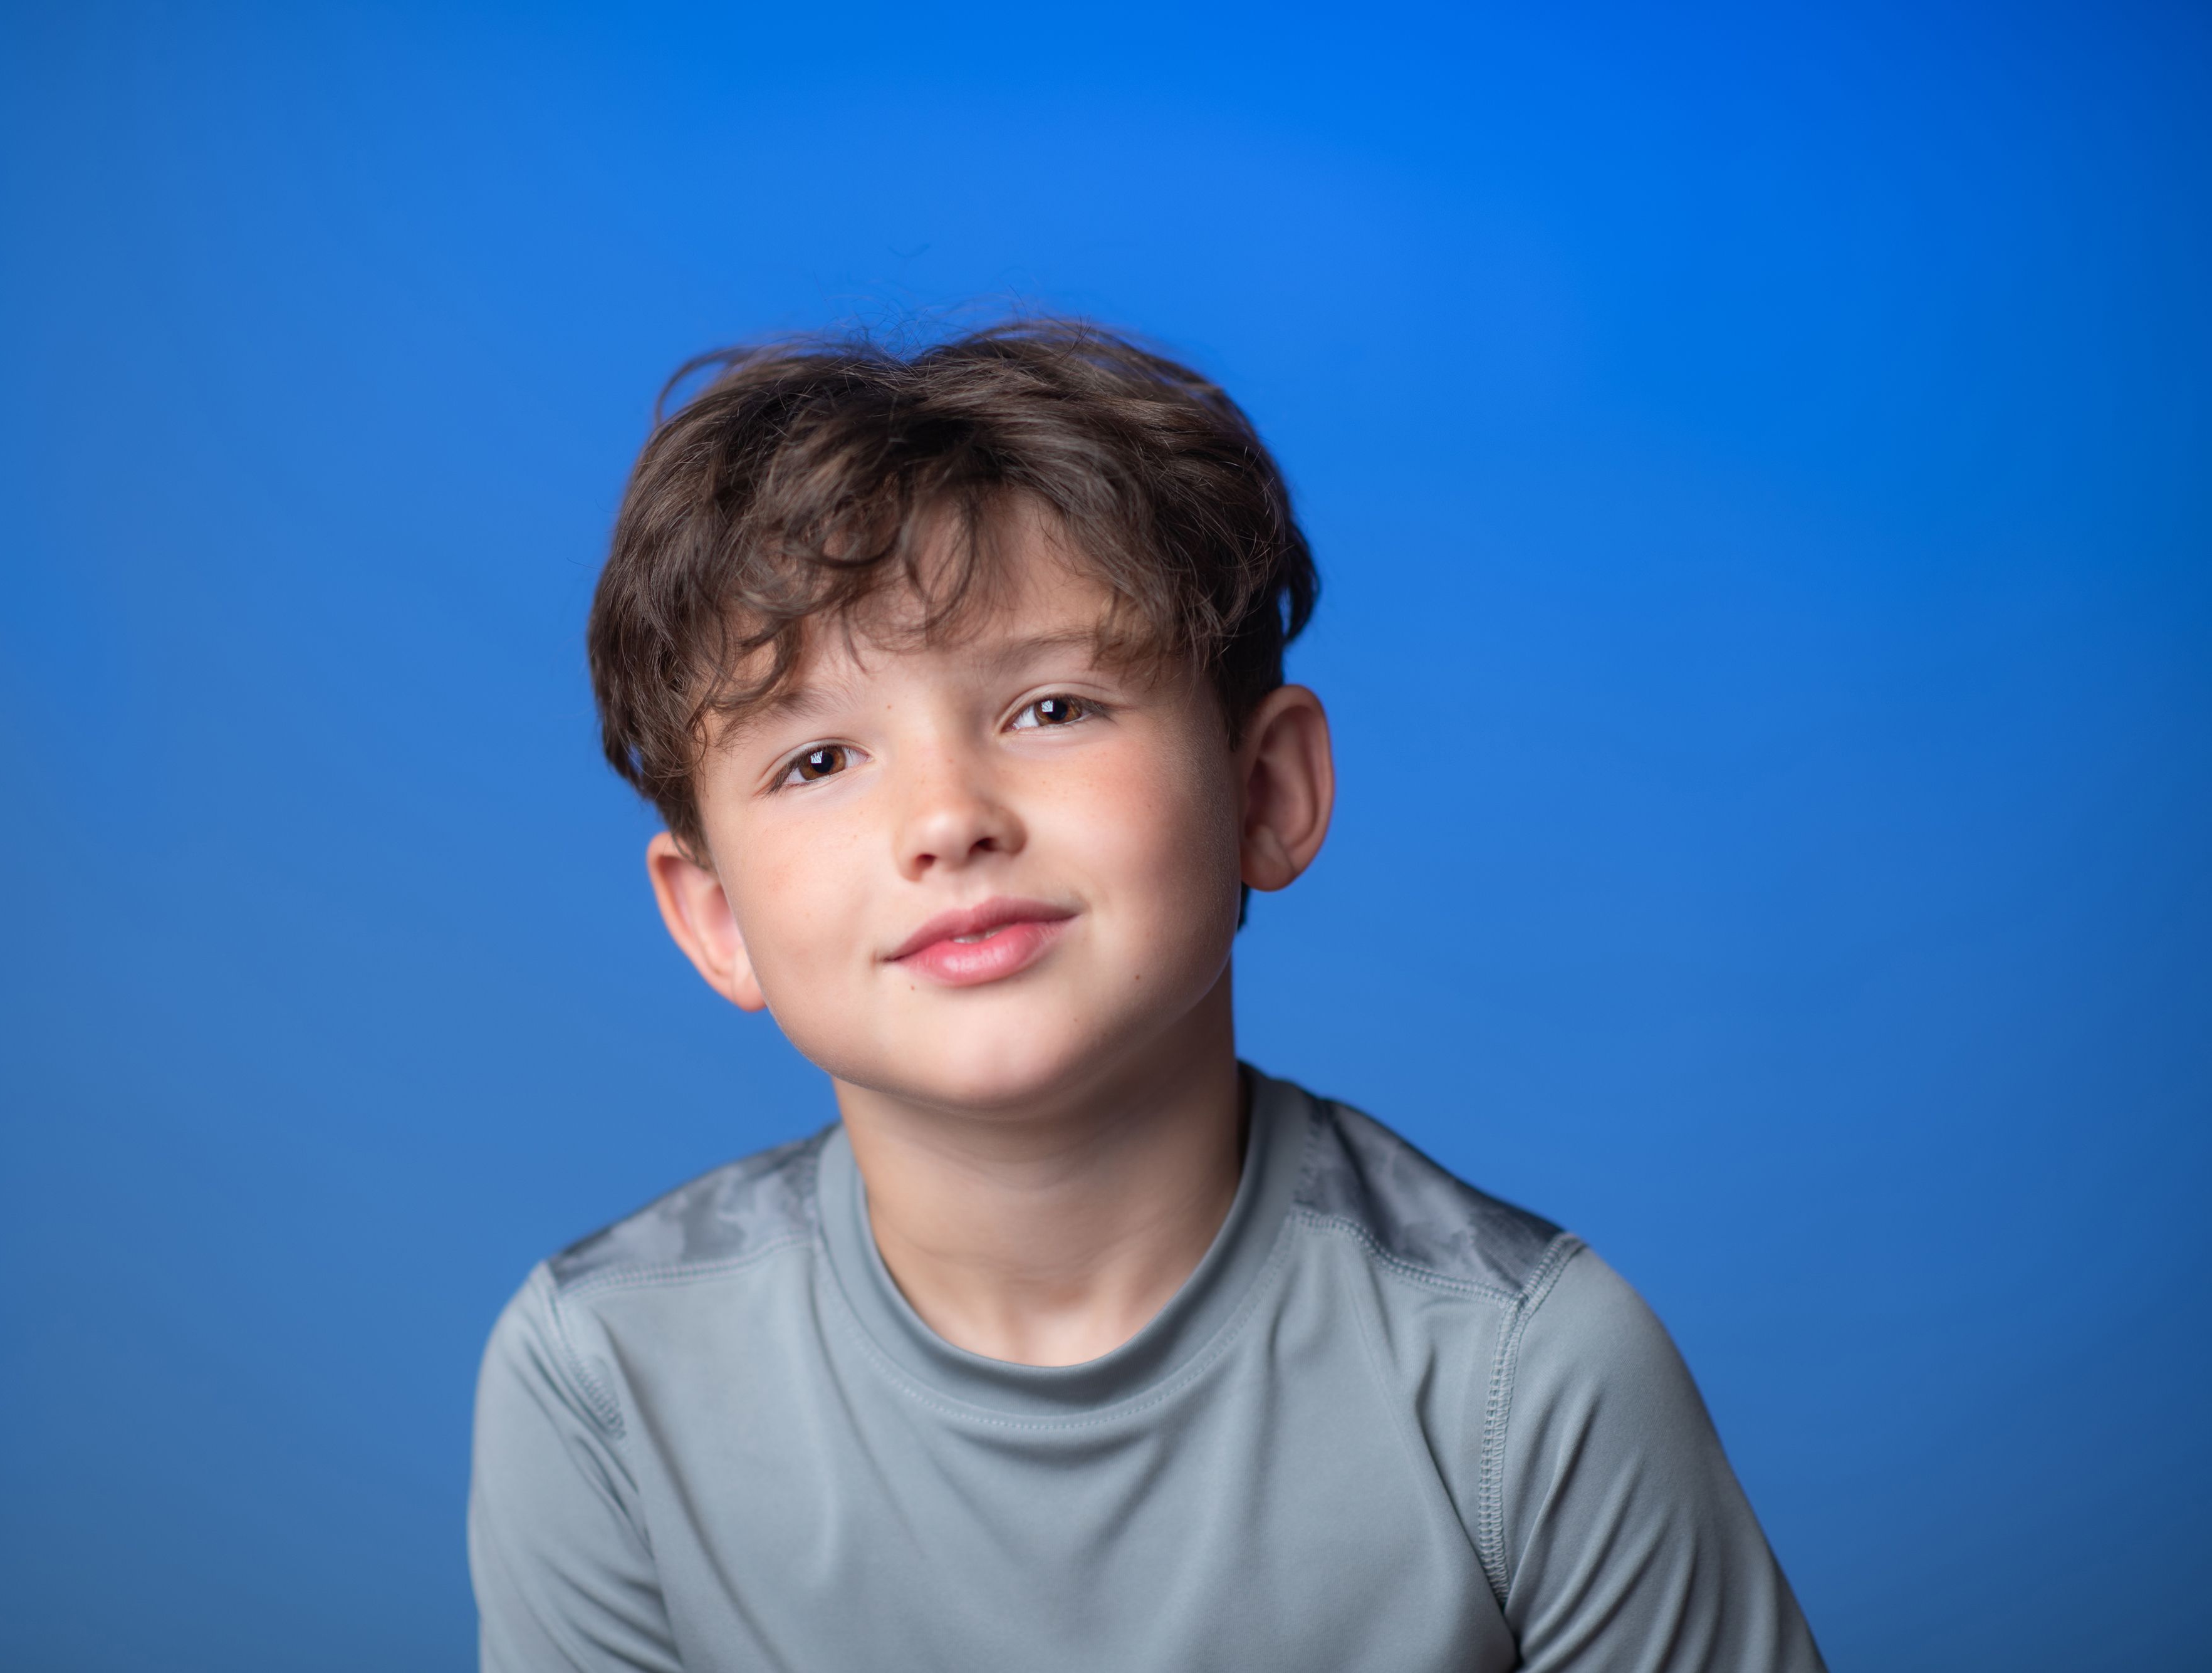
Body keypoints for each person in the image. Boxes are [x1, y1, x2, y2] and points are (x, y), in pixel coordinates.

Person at [469, 321, 1824, 1672]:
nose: (945, 820)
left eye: (1051, 709)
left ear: (1265, 793)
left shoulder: (1521, 1381)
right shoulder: (603, 1384)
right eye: (819, 759)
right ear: (716, 919)